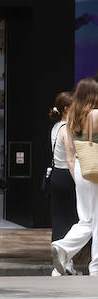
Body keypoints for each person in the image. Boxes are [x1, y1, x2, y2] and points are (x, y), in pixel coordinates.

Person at [52, 78, 98, 276]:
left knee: (86, 219)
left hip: (81, 167)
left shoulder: (72, 119)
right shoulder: (95, 115)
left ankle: (63, 248)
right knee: (96, 219)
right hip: (95, 166)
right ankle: (95, 266)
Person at [47, 91, 79, 256]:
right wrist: (78, 182)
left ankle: (60, 257)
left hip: (56, 176)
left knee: (59, 218)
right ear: (67, 108)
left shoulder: (55, 127)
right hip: (67, 176)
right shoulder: (66, 129)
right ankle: (65, 256)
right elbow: (71, 160)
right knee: (71, 219)